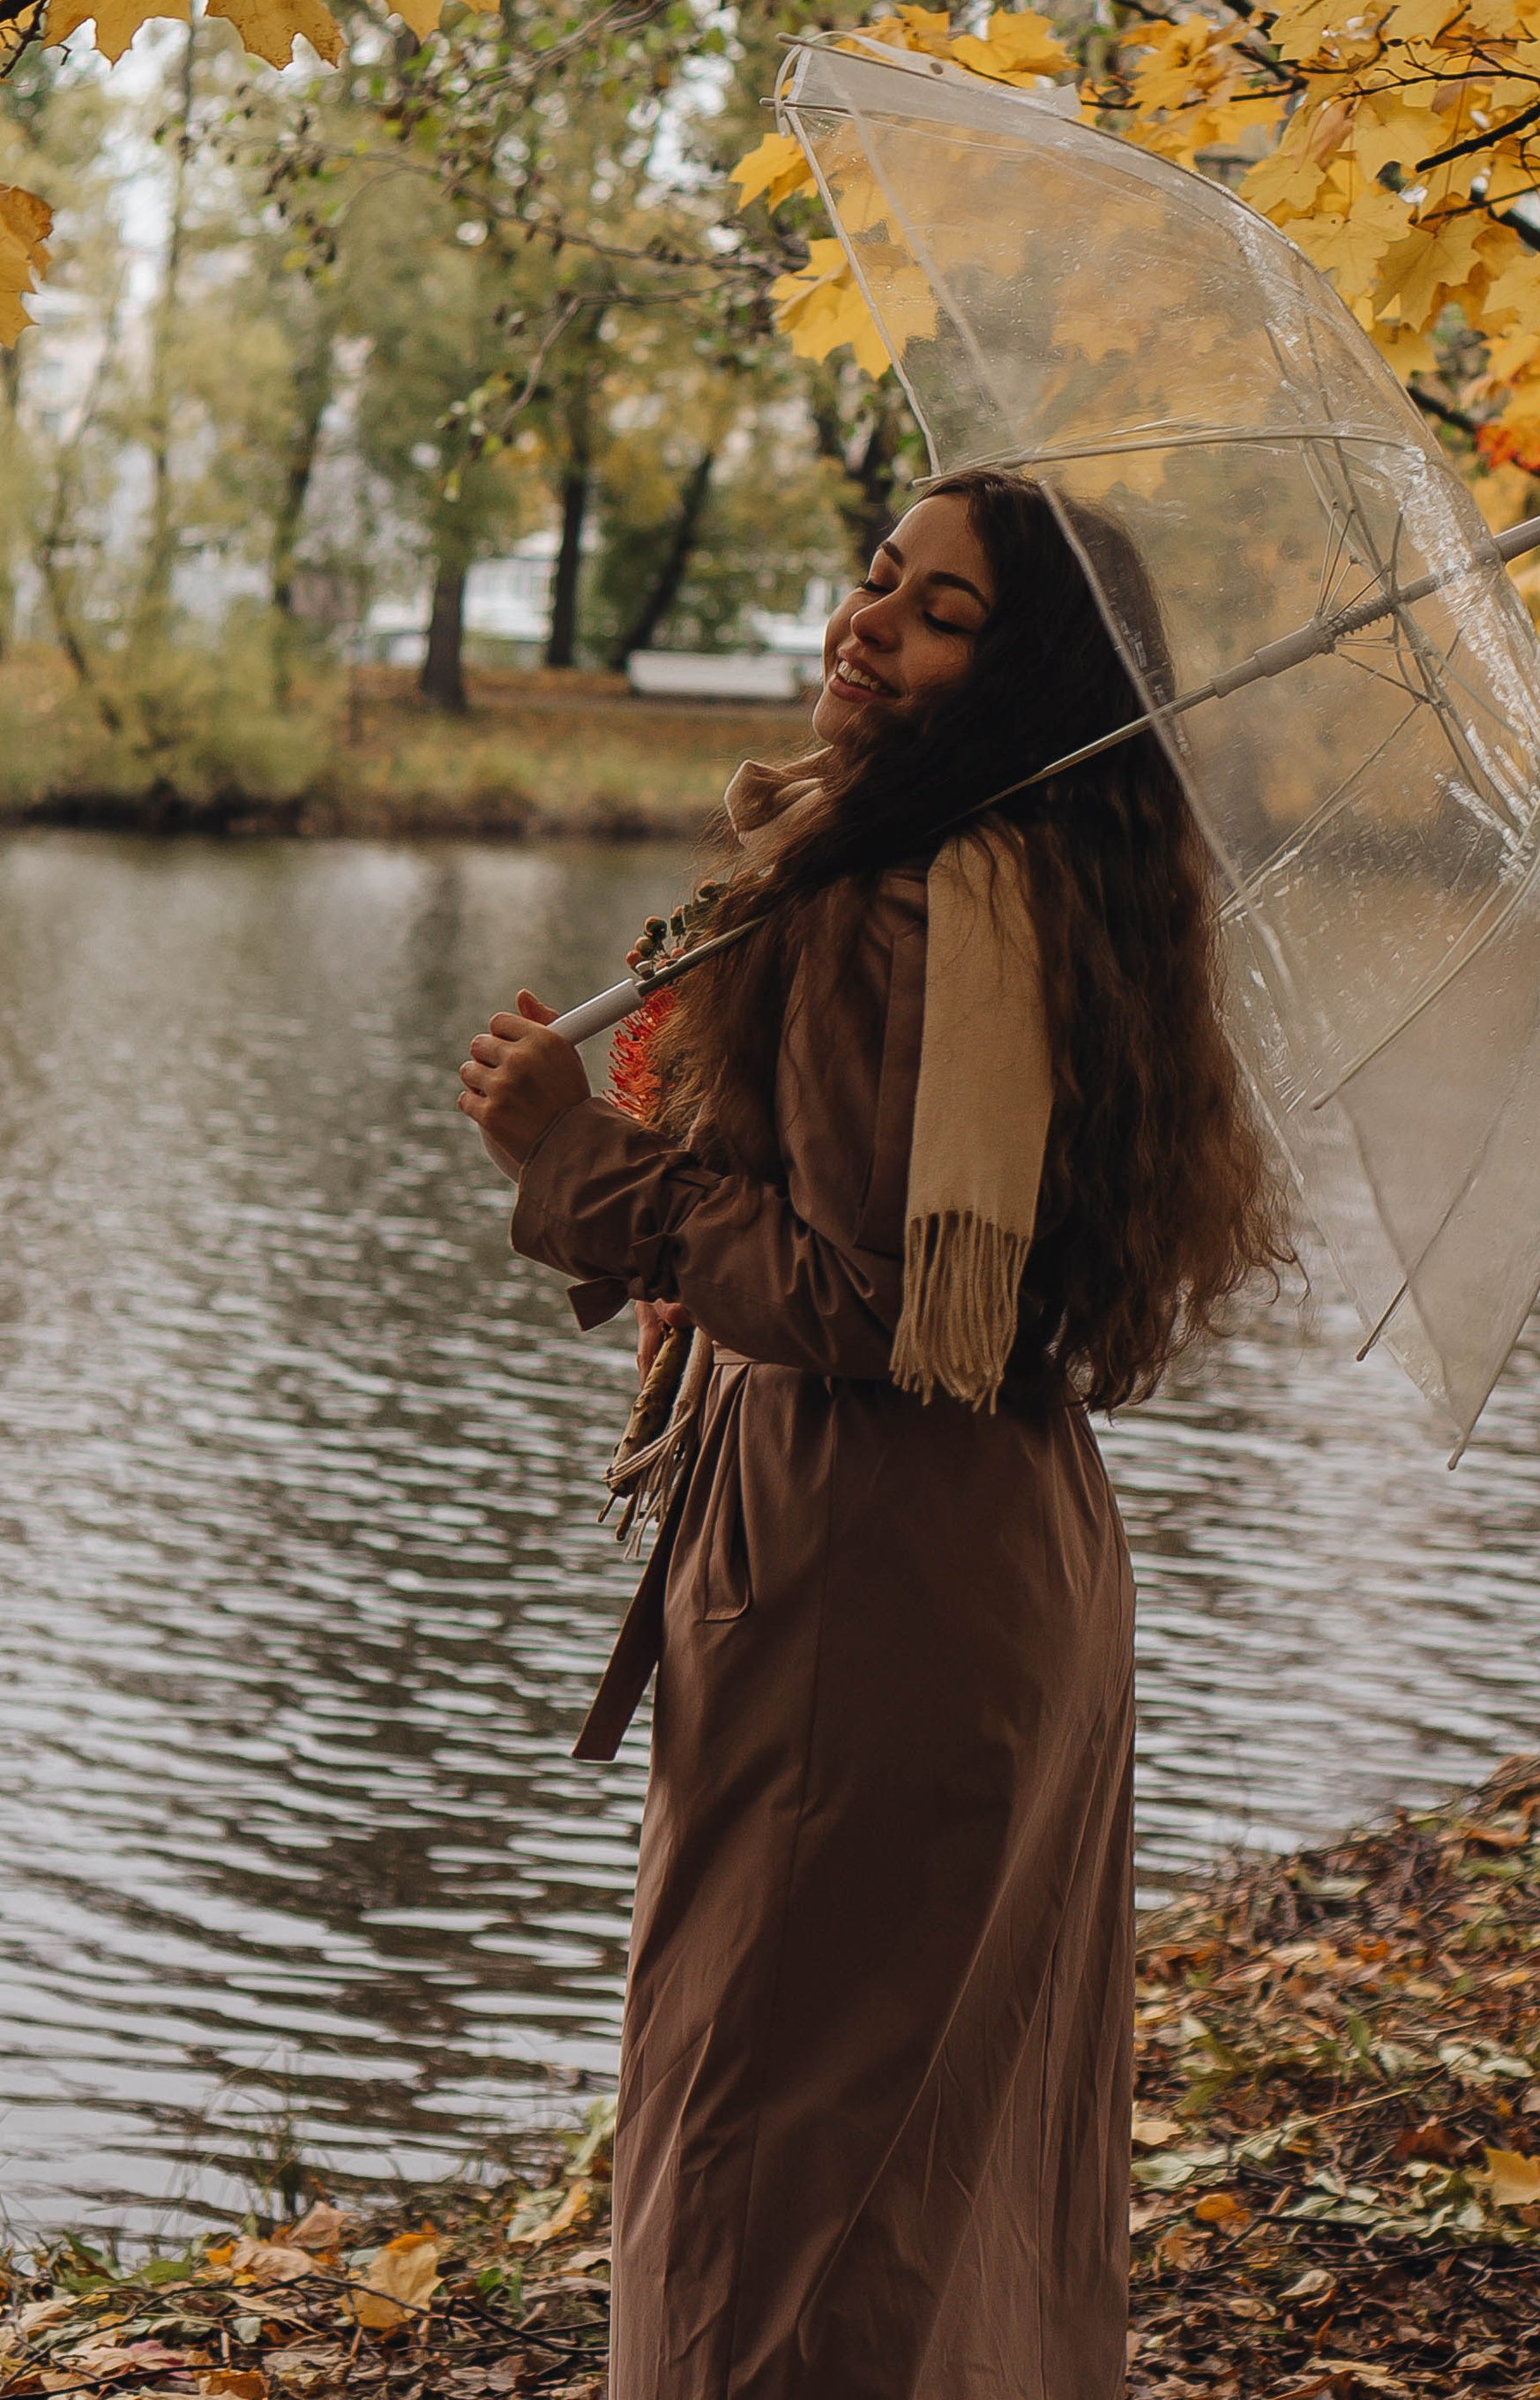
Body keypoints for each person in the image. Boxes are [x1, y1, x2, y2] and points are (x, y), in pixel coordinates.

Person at [456, 473, 1290, 2400]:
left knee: (770, 2139)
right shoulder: (1048, 893)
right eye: (872, 582)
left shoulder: (895, 908)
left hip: (860, 1566)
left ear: (1028, 683)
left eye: (935, 614)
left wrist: (576, 1160)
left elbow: (854, 1296)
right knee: (944, 2137)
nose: (866, 623)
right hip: (1010, 1546)